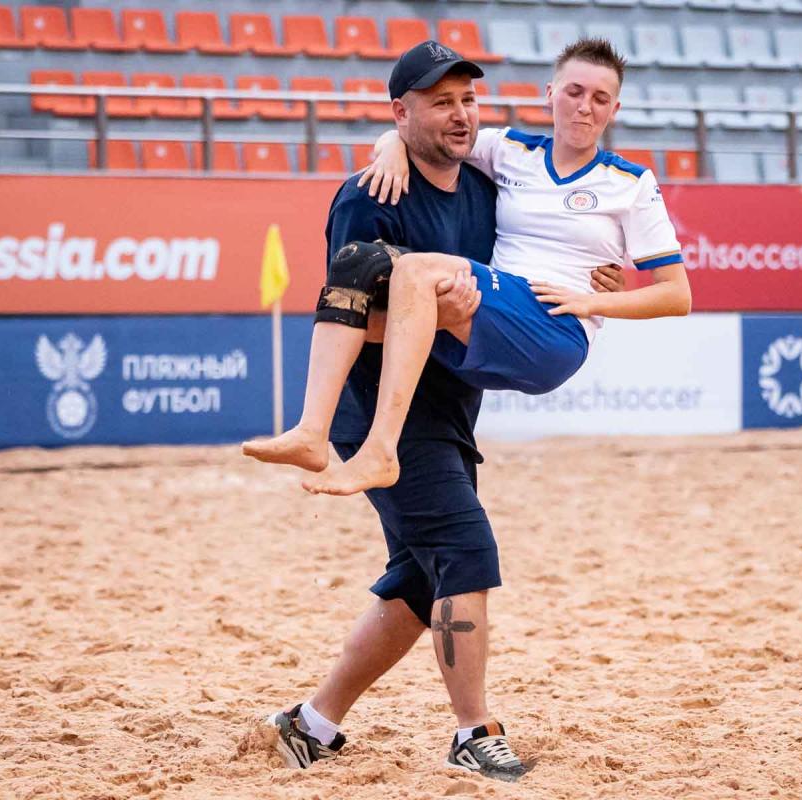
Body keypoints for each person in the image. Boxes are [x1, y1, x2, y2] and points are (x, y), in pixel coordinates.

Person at [242, 41, 626, 782]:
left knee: (421, 581)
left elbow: (542, 248)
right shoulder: (370, 196)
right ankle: (473, 731)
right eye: (440, 102)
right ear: (402, 112)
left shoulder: (486, 188)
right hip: (377, 410)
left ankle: (310, 725)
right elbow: (348, 312)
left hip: (450, 407)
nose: (460, 115)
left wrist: (595, 274)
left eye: (468, 101)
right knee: (464, 550)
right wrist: (438, 311)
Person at [247, 37, 691, 500]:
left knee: (415, 273)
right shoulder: (509, 148)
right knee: (358, 264)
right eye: (574, 91)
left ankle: (380, 449)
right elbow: (427, 130)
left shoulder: (631, 183)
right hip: (496, 314)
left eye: (600, 98)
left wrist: (593, 302)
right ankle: (311, 432)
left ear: (614, 110)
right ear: (550, 93)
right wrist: (390, 146)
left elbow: (677, 295)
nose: (584, 107)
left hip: (555, 323)